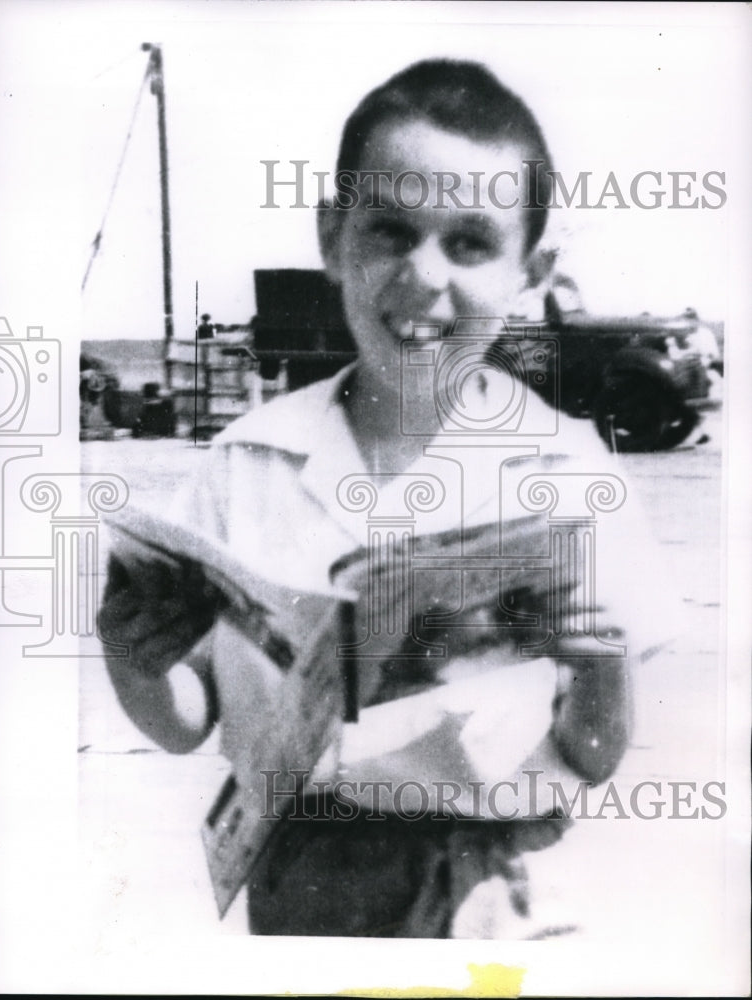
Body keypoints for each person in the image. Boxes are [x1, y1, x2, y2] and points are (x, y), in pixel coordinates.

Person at [99, 59, 675, 938]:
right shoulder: (246, 462)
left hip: (499, 885)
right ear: (332, 238)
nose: (421, 276)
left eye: (471, 242)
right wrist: (137, 660)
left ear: (532, 269)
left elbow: (593, 758)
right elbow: (188, 723)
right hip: (304, 881)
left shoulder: (569, 469)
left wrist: (598, 664)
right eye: (390, 231)